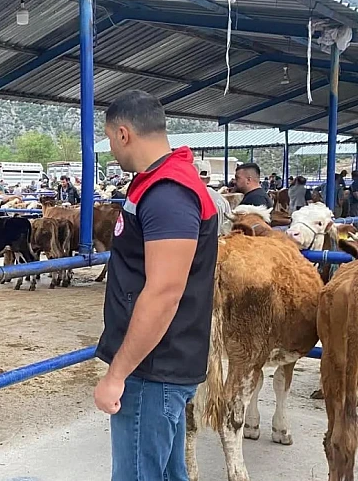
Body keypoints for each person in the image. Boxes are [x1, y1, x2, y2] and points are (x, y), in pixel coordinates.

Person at [93, 90, 218, 481]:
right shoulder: (162, 183)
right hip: (160, 365)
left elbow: (164, 292)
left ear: (124, 133)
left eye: (110, 138)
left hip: (152, 369)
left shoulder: (167, 193)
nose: (112, 148)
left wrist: (116, 375)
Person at [195, 160, 231, 236]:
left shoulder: (193, 198)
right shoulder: (222, 200)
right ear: (209, 179)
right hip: (220, 243)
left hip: (201, 243)